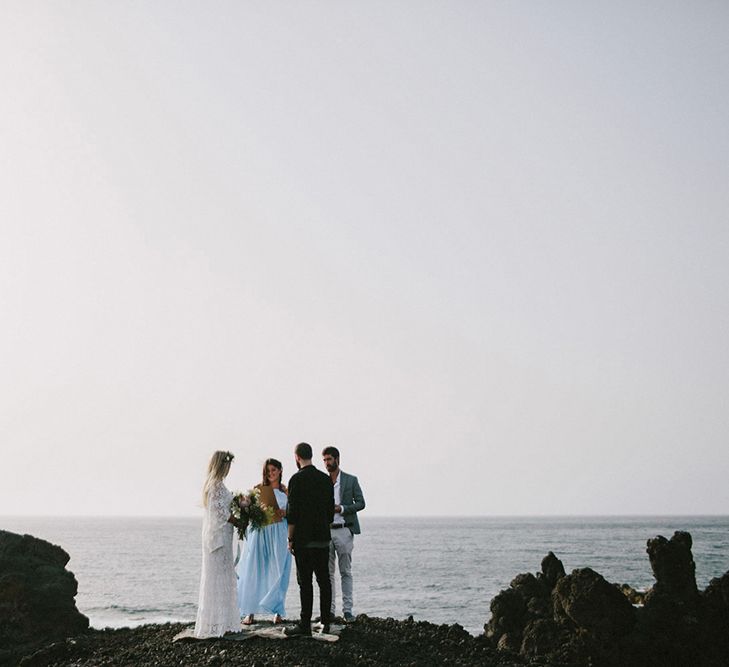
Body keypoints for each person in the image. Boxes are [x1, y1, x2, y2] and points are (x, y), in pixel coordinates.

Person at [284, 442, 334, 637]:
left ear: (297, 457)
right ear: (311, 455)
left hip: (304, 540)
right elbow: (330, 512)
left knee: (305, 583)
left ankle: (305, 624)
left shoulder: (295, 480)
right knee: (324, 581)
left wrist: (290, 538)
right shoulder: (325, 479)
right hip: (322, 538)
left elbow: (292, 513)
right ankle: (325, 622)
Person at [236, 458, 292, 625]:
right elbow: (249, 512)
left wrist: (285, 512)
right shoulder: (258, 490)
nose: (271, 473)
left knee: (279, 570)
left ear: (280, 470)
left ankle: (278, 610)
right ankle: (249, 611)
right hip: (260, 532)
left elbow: (294, 512)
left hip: (279, 532)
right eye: (268, 471)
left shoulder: (286, 492)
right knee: (254, 569)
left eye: (274, 470)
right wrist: (247, 505)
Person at [194, 450, 240, 638]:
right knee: (219, 578)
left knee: (219, 577)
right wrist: (239, 521)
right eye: (227, 466)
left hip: (218, 537)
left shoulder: (214, 485)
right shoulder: (216, 486)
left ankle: (221, 621)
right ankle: (219, 624)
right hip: (218, 539)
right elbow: (222, 513)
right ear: (222, 465)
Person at [322, 445, 365, 622]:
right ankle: (330, 611)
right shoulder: (322, 481)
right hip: (326, 531)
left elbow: (361, 503)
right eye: (324, 460)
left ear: (337, 459)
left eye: (329, 459)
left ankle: (347, 611)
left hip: (345, 529)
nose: (326, 463)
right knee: (328, 573)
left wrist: (343, 508)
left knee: (345, 571)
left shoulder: (350, 480)